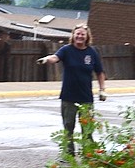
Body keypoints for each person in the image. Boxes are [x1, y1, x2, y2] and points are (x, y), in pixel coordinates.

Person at [37, 24, 106, 155]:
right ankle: (69, 154)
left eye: (82, 34)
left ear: (87, 37)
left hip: (86, 98)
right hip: (68, 97)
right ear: (73, 35)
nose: (80, 36)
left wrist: (102, 89)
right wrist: (47, 59)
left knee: (87, 128)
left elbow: (100, 72)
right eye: (77, 34)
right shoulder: (66, 50)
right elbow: (55, 57)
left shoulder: (92, 52)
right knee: (68, 127)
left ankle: (88, 154)